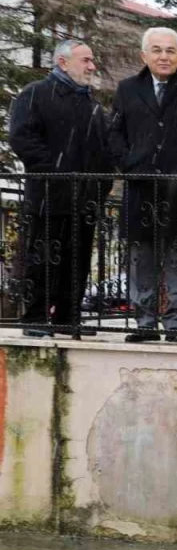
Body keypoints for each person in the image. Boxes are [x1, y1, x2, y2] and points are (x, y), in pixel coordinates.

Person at [10, 39, 110, 337]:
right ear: (62, 63)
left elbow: (104, 151)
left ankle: (69, 317)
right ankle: (35, 318)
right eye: (85, 60)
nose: (92, 66)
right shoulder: (35, 94)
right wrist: (56, 173)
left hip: (85, 200)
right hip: (48, 196)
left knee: (77, 261)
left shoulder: (91, 105)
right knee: (42, 259)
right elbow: (22, 138)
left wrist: (100, 187)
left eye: (92, 60)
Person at [108, 27, 177, 343]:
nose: (164, 56)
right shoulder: (127, 88)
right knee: (140, 260)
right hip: (141, 186)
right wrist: (129, 163)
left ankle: (175, 324)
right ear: (143, 56)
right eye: (157, 50)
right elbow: (114, 133)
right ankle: (144, 323)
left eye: (171, 50)